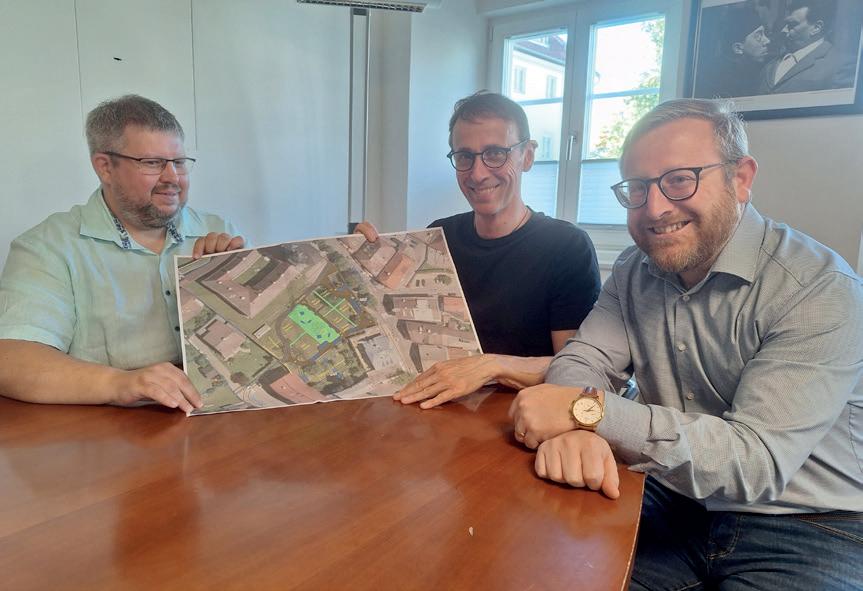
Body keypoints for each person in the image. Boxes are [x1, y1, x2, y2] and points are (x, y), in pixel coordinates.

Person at [510, 98, 863, 589]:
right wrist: (579, 430)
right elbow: (585, 358)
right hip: (673, 496)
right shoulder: (633, 270)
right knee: (534, 565)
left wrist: (585, 413)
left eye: (680, 179)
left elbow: (755, 463)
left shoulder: (818, 288)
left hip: (811, 524)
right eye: (637, 188)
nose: (655, 208)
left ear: (741, 178)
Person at [0, 95, 245, 413]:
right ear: (105, 167)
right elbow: (12, 361)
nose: (172, 178)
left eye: (180, 162)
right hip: (106, 427)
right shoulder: (48, 246)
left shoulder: (217, 231)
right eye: (152, 163)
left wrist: (238, 277)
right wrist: (121, 384)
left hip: (210, 414)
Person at [356, 91, 600, 409]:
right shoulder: (438, 237)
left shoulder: (567, 247)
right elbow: (396, 331)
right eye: (464, 156)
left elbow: (579, 369)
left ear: (527, 156)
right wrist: (359, 265)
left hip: (518, 418)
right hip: (437, 410)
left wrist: (491, 365)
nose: (478, 173)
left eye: (495, 153)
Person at [758, 0, 856, 93]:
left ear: (816, 28)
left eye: (792, 25)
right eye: (785, 24)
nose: (784, 30)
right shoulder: (770, 64)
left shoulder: (841, 66)